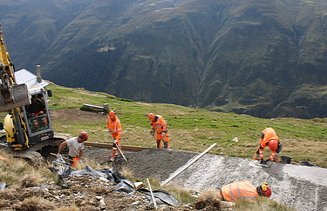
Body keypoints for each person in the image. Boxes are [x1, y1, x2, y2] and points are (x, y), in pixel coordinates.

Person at [195, 180, 272, 209]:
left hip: (222, 189)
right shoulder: (252, 197)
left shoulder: (249, 184)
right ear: (262, 195)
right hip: (224, 197)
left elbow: (243, 180)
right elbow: (245, 205)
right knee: (235, 206)